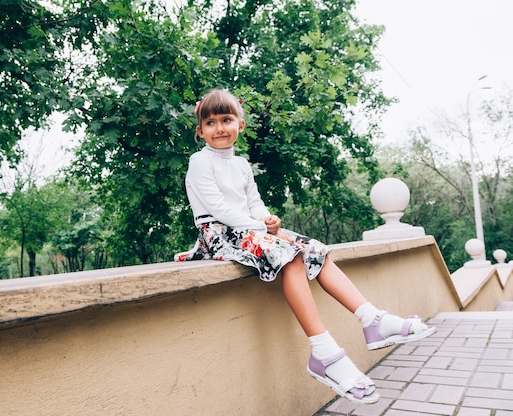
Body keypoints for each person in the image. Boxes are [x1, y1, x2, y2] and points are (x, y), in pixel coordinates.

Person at [174, 89, 435, 404]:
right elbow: (218, 209)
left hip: (247, 228)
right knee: (290, 255)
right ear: (200, 131)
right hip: (218, 231)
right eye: (210, 122)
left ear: (240, 124)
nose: (219, 128)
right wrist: (263, 230)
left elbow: (252, 203)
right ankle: (325, 354)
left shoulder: (241, 165)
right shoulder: (200, 161)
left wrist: (268, 220)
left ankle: (372, 320)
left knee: (316, 250)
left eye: (226, 119)